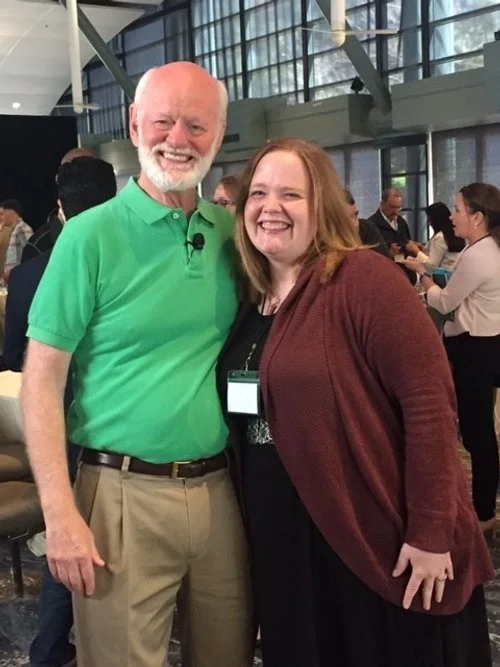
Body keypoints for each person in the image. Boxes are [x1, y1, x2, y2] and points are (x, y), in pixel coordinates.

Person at [217, 138, 493, 667]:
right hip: (283, 536)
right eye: (259, 193)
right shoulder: (251, 296)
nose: (270, 207)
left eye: (290, 194)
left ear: (321, 204)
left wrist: (431, 531)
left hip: (368, 527)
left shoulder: (362, 280)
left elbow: (429, 406)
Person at [21, 62, 253, 667]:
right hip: (120, 494)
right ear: (133, 125)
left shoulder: (234, 235)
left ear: (219, 134)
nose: (178, 139)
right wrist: (59, 514)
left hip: (220, 490)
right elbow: (41, 381)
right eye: (163, 121)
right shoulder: (89, 237)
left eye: (197, 125)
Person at [4, 156, 116, 667]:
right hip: (108, 427)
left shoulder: (29, 274)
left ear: (60, 207)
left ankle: (51, 646)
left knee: (64, 528)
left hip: (55, 423)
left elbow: (14, 358)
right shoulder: (123, 263)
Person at [403, 183, 500, 534]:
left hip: (474, 349)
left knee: (478, 435)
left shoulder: (478, 254)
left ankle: (484, 512)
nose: (452, 216)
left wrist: (425, 278)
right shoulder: (485, 248)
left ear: (477, 217)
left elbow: (445, 302)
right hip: (486, 343)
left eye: (458, 209)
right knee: (480, 430)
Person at [21, 147, 96, 263]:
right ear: (58, 180)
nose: (81, 184)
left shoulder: (111, 231)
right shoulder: (38, 246)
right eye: (73, 176)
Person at [405, 202, 465, 273]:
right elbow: (443, 253)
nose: (428, 222)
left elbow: (432, 266)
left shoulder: (440, 237)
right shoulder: (454, 234)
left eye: (429, 218)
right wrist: (424, 248)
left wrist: (416, 251)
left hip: (442, 277)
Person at [342, 188, 390, 257]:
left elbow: (385, 260)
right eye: (345, 220)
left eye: (356, 215)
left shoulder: (367, 228)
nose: (356, 224)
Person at [0, 199, 33, 279]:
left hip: (20, 279)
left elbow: (32, 255)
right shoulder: (13, 231)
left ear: (11, 213)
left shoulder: (22, 229)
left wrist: (16, 273)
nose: (0, 217)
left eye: (1, 214)